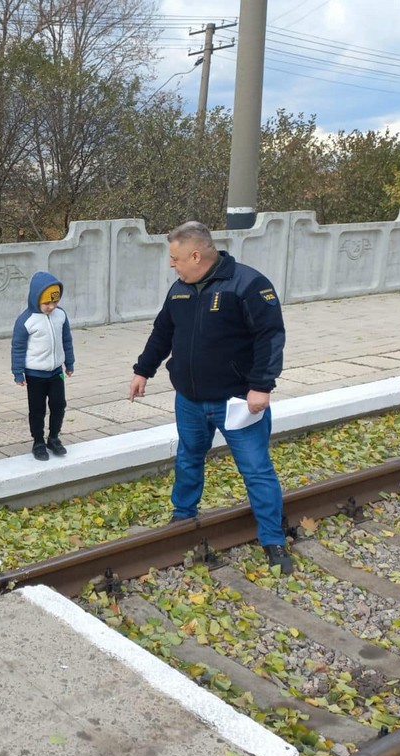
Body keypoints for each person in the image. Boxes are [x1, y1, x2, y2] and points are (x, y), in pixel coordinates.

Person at [128, 221, 292, 575]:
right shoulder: (179, 290)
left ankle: (273, 539)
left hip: (236, 404)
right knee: (188, 458)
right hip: (189, 399)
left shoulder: (248, 284)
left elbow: (270, 336)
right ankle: (183, 517)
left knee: (256, 470)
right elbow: (163, 332)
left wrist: (261, 386)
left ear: (196, 255)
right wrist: (143, 370)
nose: (172, 265)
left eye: (175, 258)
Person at [11, 271, 75, 461]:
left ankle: (53, 437)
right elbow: (18, 347)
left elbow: (67, 340)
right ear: (35, 298)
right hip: (35, 375)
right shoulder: (26, 321)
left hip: (56, 372)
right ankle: (38, 441)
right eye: (46, 303)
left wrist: (69, 362)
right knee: (37, 409)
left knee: (59, 405)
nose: (51, 307)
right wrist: (18, 372)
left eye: (54, 302)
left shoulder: (60, 315)